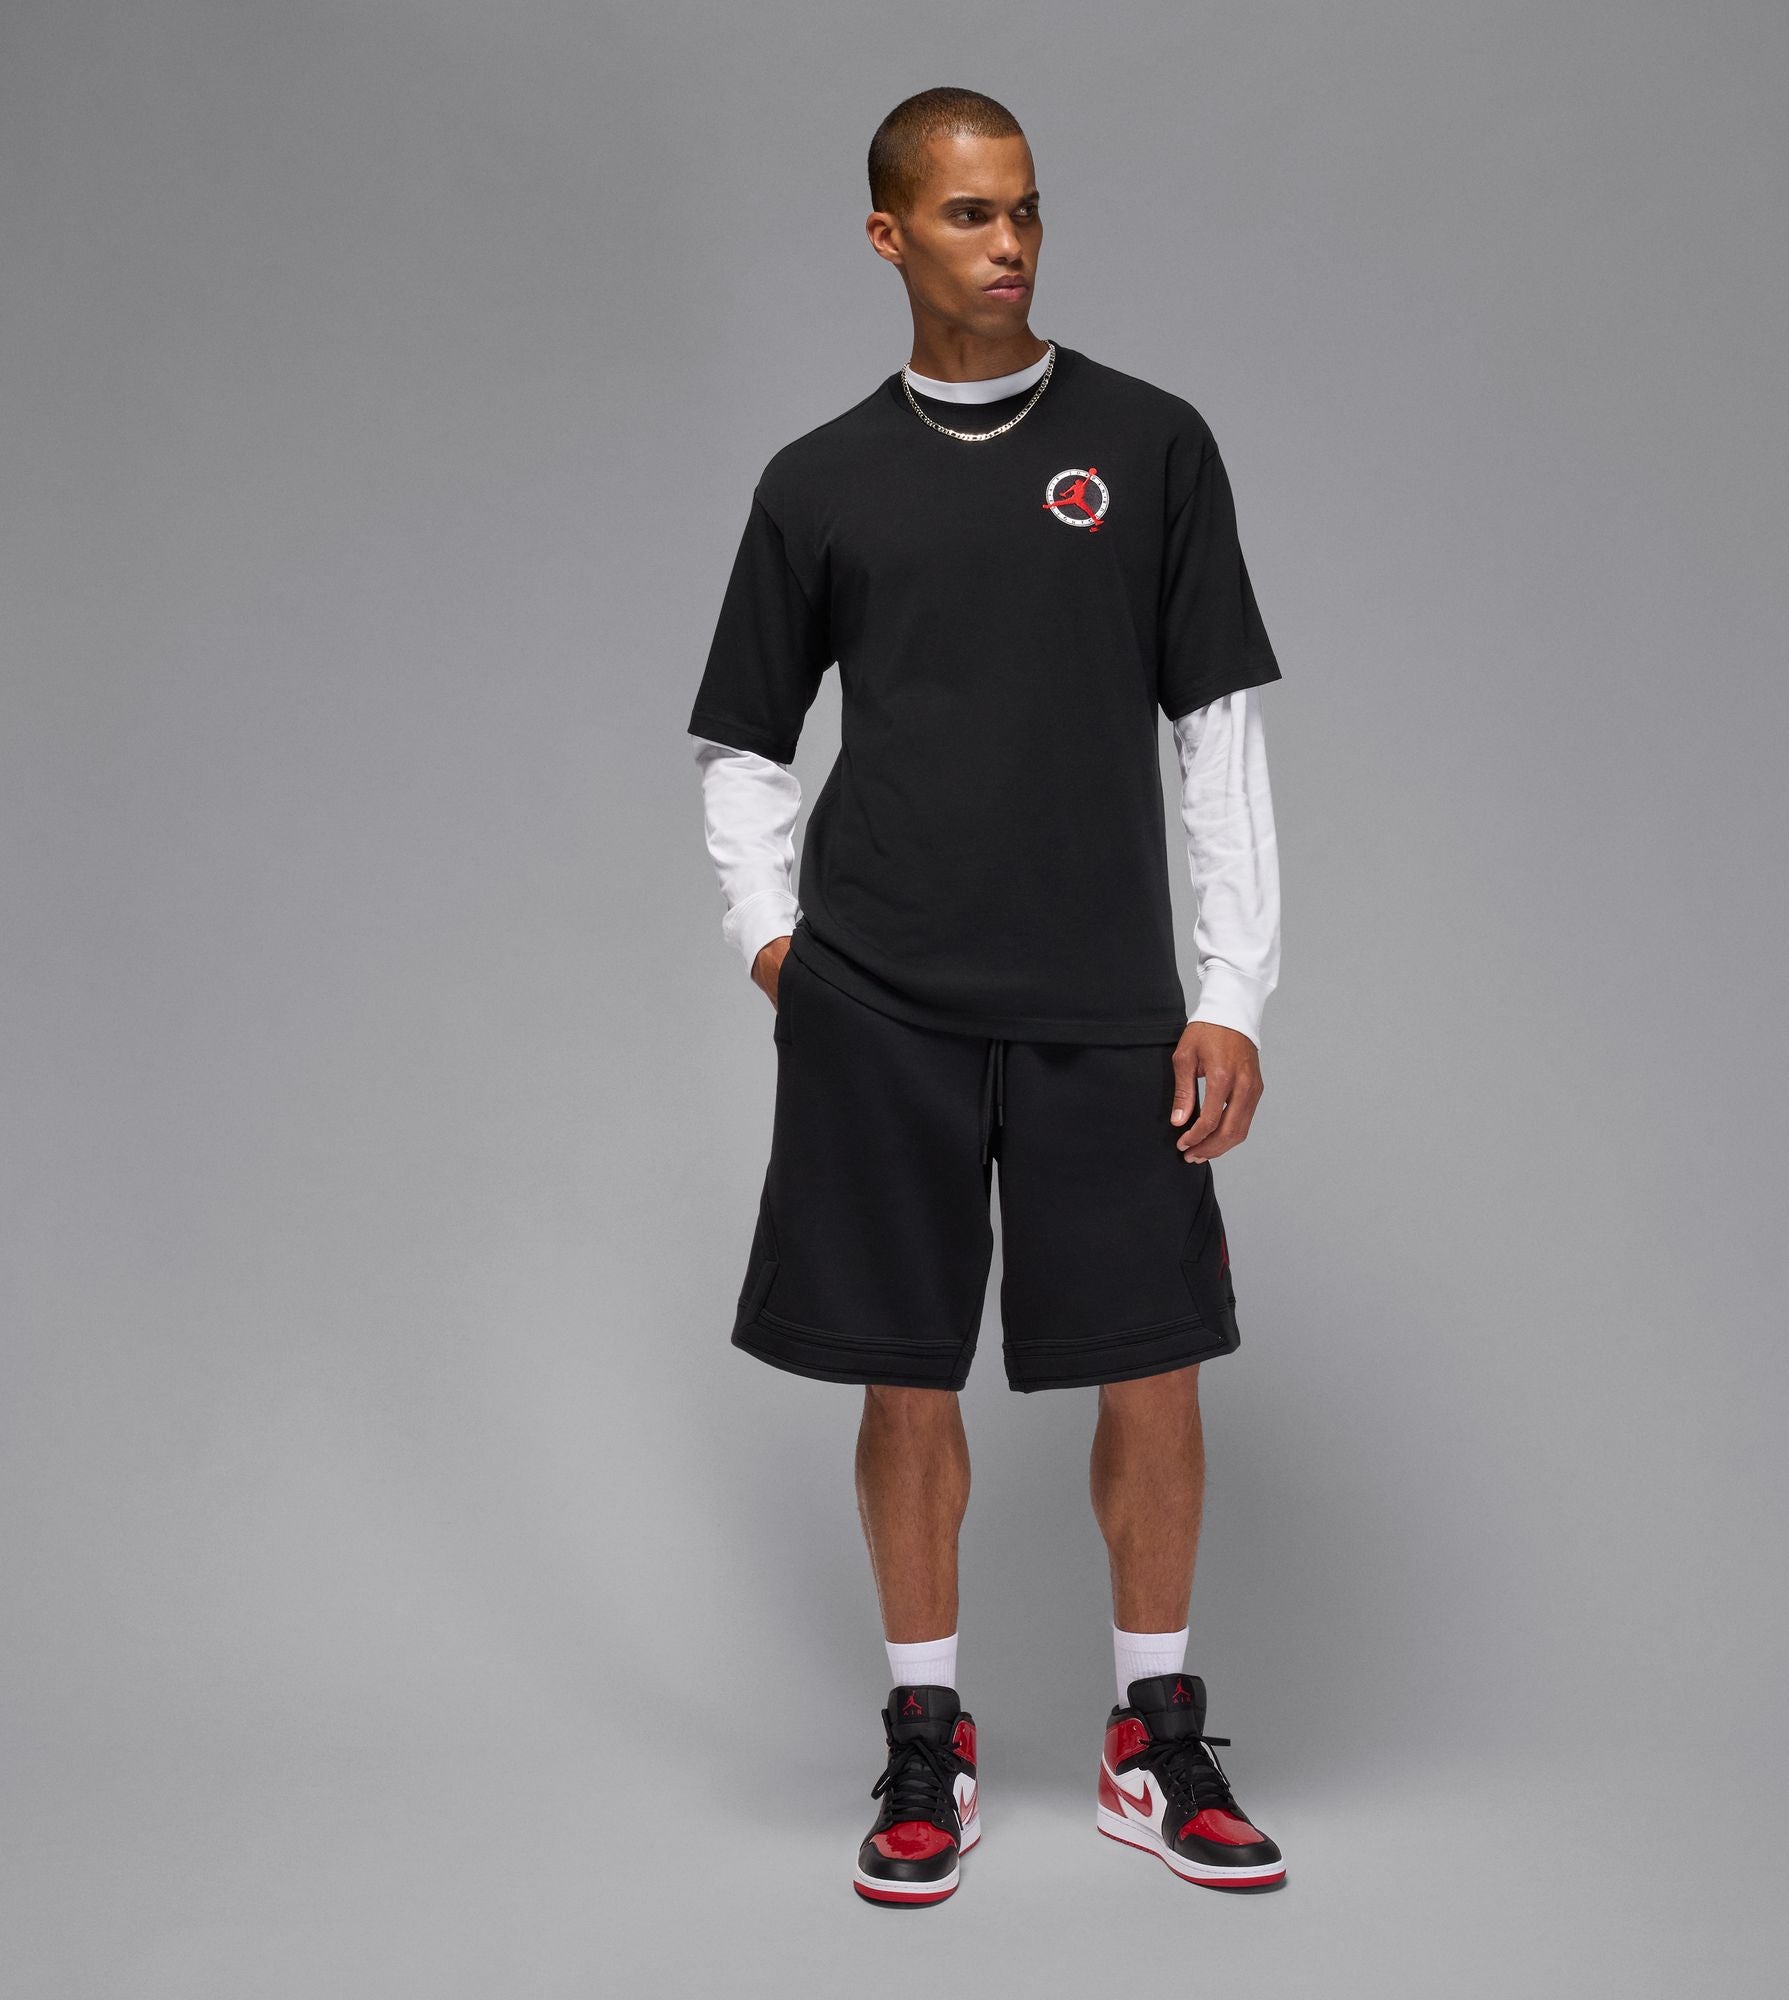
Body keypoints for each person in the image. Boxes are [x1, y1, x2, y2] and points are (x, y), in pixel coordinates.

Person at [688, 86, 1287, 1903]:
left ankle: (1152, 1738)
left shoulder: (1152, 445)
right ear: (889, 235)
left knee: (1156, 1371)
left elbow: (1216, 731)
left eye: (1024, 208)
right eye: (968, 214)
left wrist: (1234, 990)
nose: (1009, 241)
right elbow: (743, 740)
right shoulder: (817, 481)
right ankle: (924, 1738)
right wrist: (775, 943)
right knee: (902, 1377)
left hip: (1107, 1000)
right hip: (881, 999)